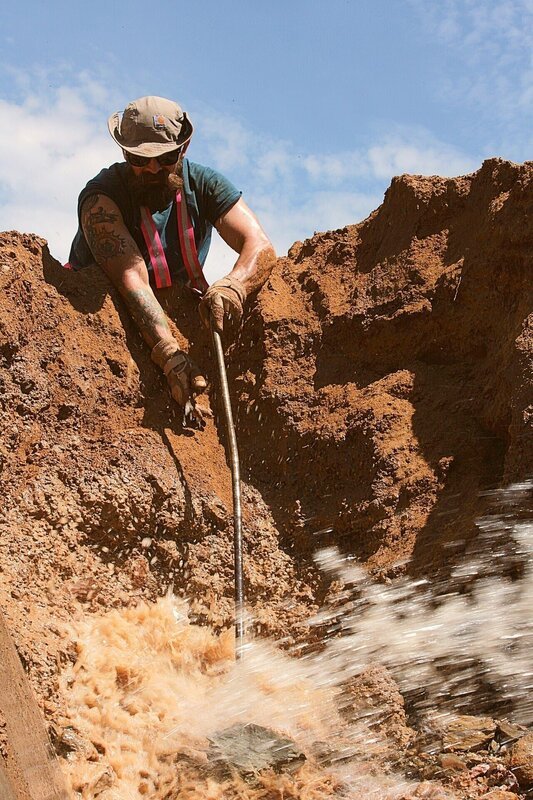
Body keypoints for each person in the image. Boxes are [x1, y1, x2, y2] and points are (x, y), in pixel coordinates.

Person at [68, 95, 276, 424]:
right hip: (107, 320)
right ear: (124, 152)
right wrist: (169, 354)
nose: (153, 168)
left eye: (165, 157)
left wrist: (234, 286)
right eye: (140, 158)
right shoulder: (101, 198)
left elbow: (259, 244)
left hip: (176, 309)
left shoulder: (204, 184)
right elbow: (131, 277)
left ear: (184, 148)